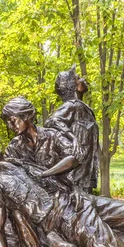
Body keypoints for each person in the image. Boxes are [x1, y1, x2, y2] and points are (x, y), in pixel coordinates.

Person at [44, 64, 99, 193]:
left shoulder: (82, 107)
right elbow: (52, 121)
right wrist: (72, 137)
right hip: (75, 177)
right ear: (73, 86)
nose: (83, 80)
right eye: (78, 78)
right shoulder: (72, 106)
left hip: (84, 173)